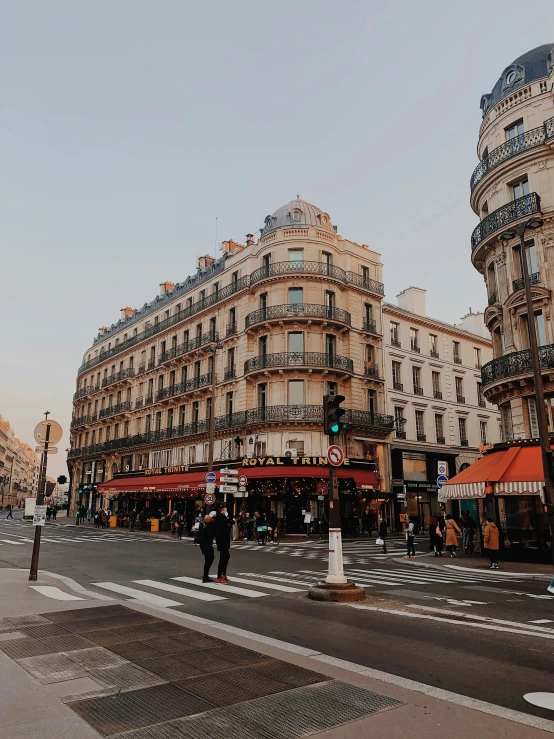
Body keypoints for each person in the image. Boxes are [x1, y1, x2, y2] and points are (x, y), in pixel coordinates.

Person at [214, 506, 231, 583]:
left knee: (226, 556)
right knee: (223, 558)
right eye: (225, 510)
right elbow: (222, 530)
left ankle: (223, 574)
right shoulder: (220, 518)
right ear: (222, 511)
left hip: (223, 541)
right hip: (222, 541)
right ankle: (219, 576)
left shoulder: (221, 518)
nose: (226, 512)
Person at [199, 513, 216, 582]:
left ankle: (205, 575)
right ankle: (205, 576)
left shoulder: (204, 526)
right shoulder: (210, 527)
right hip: (207, 544)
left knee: (207, 559)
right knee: (209, 559)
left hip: (203, 544)